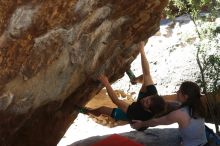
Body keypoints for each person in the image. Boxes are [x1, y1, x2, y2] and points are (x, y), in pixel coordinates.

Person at [79, 41, 165, 129]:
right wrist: (142, 50)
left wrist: (106, 82)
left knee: (102, 109)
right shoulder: (152, 93)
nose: (145, 99)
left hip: (133, 117)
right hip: (142, 105)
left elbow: (116, 101)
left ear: (148, 110)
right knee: (145, 78)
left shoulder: (136, 113)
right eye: (149, 98)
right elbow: (147, 73)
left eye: (147, 102)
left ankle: (87, 112)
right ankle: (134, 80)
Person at [131, 81, 208, 146]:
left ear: (185, 96)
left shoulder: (180, 114)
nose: (177, 92)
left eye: (179, 91)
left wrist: (141, 124)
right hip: (204, 142)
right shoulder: (198, 107)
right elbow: (177, 104)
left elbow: (157, 121)